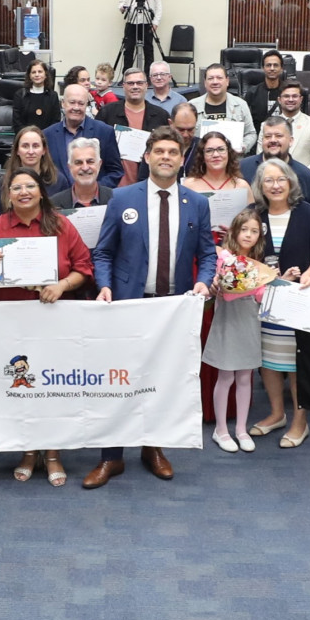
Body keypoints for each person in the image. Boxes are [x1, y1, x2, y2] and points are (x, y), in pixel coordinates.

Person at [85, 127, 208, 487]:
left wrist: (205, 279)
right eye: (160, 151)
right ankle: (111, 458)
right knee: (118, 381)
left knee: (161, 381)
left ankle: (152, 447)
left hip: (172, 310)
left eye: (174, 152)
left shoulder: (196, 203)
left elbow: (208, 254)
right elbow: (103, 252)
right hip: (127, 306)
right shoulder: (123, 199)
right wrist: (105, 286)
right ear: (147, 156)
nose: (167, 157)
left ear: (182, 159)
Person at [0, 168, 95, 487]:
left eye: (30, 186)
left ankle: (52, 452)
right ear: (8, 194)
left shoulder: (61, 225)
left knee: (52, 387)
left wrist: (62, 285)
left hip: (53, 318)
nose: (24, 191)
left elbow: (84, 268)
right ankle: (28, 450)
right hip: (10, 321)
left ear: (41, 192)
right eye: (16, 187)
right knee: (22, 386)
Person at [248, 158, 310, 448]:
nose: (275, 185)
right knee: (268, 361)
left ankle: (299, 420)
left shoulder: (306, 213)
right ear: (260, 186)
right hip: (264, 301)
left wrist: (308, 276)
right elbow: (243, 257)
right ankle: (277, 414)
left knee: (296, 364)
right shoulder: (253, 214)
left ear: (291, 182)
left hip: (298, 302)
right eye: (268, 180)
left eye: (281, 179)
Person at [205, 208, 268, 452]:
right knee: (226, 376)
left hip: (249, 322)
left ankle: (241, 429)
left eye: (254, 231)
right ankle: (221, 429)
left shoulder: (258, 264)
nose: (249, 235)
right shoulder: (224, 258)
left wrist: (284, 279)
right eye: (245, 230)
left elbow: (261, 296)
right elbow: (227, 294)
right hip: (228, 321)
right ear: (235, 231)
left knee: (245, 377)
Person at [98, 67, 171, 187]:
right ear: (123, 86)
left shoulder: (160, 116)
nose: (135, 86)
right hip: (112, 186)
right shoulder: (107, 113)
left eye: (139, 83)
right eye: (130, 83)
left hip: (149, 185)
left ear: (146, 85)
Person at [47, 83, 120, 190]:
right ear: (63, 103)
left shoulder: (104, 132)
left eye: (81, 103)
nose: (76, 108)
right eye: (72, 102)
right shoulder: (48, 135)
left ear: (87, 105)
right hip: (58, 202)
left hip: (95, 202)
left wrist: (95, 190)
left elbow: (116, 171)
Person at [241, 114, 310, 203]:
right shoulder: (242, 168)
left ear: (290, 141)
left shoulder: (304, 175)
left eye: (278, 136)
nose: (273, 140)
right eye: (268, 136)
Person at [183, 130, 248, 237]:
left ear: (229, 153)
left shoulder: (241, 185)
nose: (216, 155)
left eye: (221, 149)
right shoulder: (189, 185)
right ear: (202, 155)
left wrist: (236, 233)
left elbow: (252, 222)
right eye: (209, 151)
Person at [0, 122, 67, 206]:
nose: (31, 152)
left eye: (35, 146)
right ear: (17, 150)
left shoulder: (58, 181)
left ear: (44, 150)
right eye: (25, 146)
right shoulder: (5, 182)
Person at [194, 64, 255, 152]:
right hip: (201, 160)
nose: (215, 82)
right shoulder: (193, 106)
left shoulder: (241, 105)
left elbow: (251, 133)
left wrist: (243, 147)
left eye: (219, 78)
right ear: (205, 83)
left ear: (227, 81)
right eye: (210, 78)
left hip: (233, 160)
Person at [117, 0, 161, 73]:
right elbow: (121, 3)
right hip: (132, 21)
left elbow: (158, 6)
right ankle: (126, 75)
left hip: (147, 22)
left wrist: (156, 22)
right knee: (128, 49)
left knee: (148, 50)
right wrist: (123, 7)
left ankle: (148, 76)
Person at [53, 139, 113, 209]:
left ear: (99, 164)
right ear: (69, 167)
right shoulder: (54, 204)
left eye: (90, 161)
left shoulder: (115, 199)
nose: (85, 168)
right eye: (78, 162)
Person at [13, 59, 63, 131]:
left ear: (45, 74)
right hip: (25, 138)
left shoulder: (53, 96)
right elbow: (17, 123)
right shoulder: (20, 95)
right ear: (29, 75)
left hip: (47, 138)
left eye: (40, 72)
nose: (37, 75)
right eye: (33, 72)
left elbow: (56, 121)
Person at [255, 50, 292, 114]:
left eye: (275, 65)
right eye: (268, 65)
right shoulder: (253, 93)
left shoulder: (290, 93)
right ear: (263, 68)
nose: (272, 68)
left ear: (281, 69)